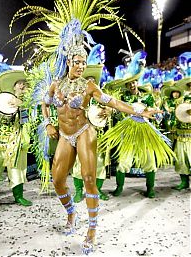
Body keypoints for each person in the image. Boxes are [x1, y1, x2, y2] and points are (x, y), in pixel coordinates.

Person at [41, 28, 160, 254]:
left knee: (88, 177)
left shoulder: (89, 86)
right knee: (57, 180)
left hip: (85, 131)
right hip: (65, 135)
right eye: (77, 62)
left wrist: (139, 110)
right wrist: (47, 123)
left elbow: (114, 102)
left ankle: (92, 231)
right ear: (68, 61)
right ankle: (71, 214)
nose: (81, 66)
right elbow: (45, 103)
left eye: (84, 63)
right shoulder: (56, 84)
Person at [0, 70, 32, 206]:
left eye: (24, 84)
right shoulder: (1, 98)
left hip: (15, 141)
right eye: (19, 83)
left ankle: (18, 196)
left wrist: (21, 105)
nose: (22, 86)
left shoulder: (28, 105)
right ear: (13, 87)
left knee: (16, 170)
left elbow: (27, 122)